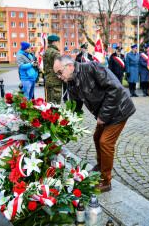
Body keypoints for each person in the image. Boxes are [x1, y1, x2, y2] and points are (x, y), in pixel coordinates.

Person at [53, 55, 136, 192]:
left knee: (105, 142)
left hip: (119, 109)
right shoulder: (71, 81)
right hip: (105, 112)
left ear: (70, 66)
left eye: (59, 72)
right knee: (97, 137)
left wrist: (103, 115)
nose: (58, 77)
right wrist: (64, 122)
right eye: (57, 74)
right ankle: (100, 165)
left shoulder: (93, 68)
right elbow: (75, 105)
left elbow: (116, 89)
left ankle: (105, 181)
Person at [43, 35, 62, 104]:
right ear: (54, 42)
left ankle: (50, 114)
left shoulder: (46, 51)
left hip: (48, 79)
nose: (57, 43)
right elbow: (58, 67)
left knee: (49, 100)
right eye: (57, 42)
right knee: (56, 101)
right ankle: (55, 114)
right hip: (55, 80)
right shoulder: (55, 52)